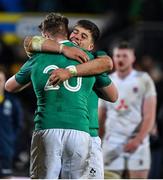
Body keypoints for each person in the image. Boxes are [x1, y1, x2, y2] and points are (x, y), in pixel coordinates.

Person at [5, 13, 116, 179]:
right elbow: (112, 94)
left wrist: (68, 72)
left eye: (83, 36)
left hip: (64, 130)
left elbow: (10, 85)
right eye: (76, 32)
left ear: (91, 45)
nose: (77, 37)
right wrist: (64, 50)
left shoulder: (90, 61)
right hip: (81, 132)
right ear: (67, 32)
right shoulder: (90, 61)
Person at [98, 41, 157, 179]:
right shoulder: (107, 81)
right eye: (117, 56)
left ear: (133, 58)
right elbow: (101, 115)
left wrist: (138, 140)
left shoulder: (144, 79)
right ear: (113, 58)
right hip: (111, 142)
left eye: (125, 56)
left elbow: (149, 115)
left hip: (137, 143)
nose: (120, 59)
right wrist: (98, 140)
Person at [0, 65, 23, 178]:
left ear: (4, 82)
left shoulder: (12, 102)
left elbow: (18, 125)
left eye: (0, 80)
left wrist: (9, 139)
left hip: (5, 151)